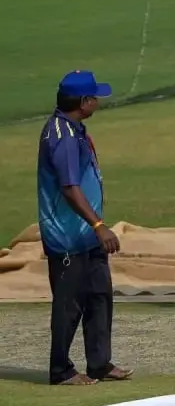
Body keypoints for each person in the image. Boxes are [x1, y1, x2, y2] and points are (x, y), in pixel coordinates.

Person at [37, 70, 132, 385]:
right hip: (68, 238)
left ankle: (99, 363)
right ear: (83, 101)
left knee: (99, 298)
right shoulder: (62, 138)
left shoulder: (73, 129)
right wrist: (99, 225)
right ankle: (60, 370)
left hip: (85, 235)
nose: (98, 100)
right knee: (69, 306)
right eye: (94, 96)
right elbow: (68, 187)